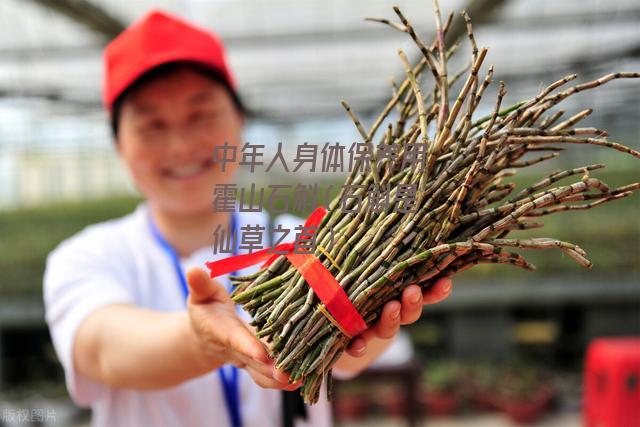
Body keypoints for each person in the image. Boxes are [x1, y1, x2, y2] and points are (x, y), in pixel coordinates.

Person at [43, 9, 453, 427]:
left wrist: (365, 317)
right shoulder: (88, 256)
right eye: (152, 126)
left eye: (200, 115)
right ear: (119, 145)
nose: (182, 145)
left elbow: (353, 360)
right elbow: (104, 351)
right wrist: (204, 342)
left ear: (239, 120)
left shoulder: (302, 238)